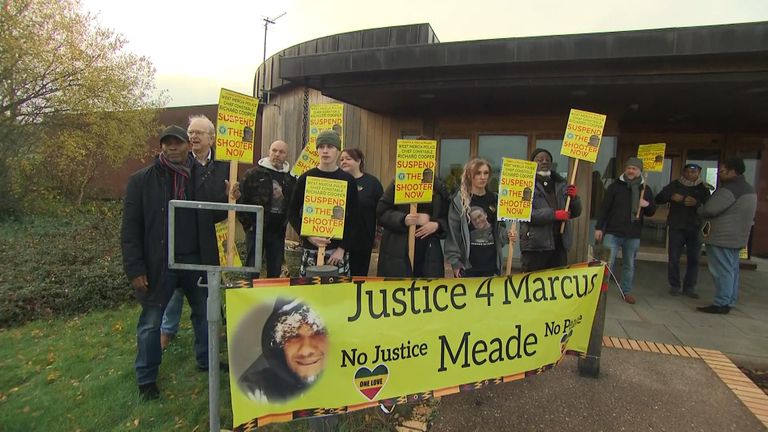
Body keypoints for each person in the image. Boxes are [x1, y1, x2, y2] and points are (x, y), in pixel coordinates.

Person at [121, 125, 236, 401]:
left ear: (188, 146)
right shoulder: (141, 181)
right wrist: (135, 268)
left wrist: (231, 198)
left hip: (197, 259)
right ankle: (146, 378)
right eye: (167, 143)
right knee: (151, 322)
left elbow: (215, 214)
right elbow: (130, 229)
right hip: (159, 262)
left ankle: (206, 360)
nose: (172, 148)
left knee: (206, 314)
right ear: (161, 147)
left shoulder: (204, 178)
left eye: (177, 143)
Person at [160, 115, 231, 350]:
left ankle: (207, 350)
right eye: (191, 132)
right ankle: (166, 332)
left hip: (210, 239)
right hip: (183, 239)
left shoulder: (225, 167)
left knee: (206, 295)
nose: (193, 136)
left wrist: (233, 197)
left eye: (199, 132)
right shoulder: (180, 165)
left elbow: (226, 208)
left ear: (211, 138)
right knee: (174, 292)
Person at [288, 130, 359, 276]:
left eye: (330, 147)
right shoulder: (305, 178)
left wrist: (342, 248)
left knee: (338, 295)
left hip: (337, 252)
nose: (325, 151)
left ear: (338, 151)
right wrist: (308, 236)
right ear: (317, 150)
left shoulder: (348, 180)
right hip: (311, 248)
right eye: (321, 146)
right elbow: (292, 212)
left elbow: (354, 217)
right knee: (310, 295)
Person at [696, 158, 756, 314]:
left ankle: (721, 303)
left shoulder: (730, 189)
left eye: (722, 171)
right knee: (732, 270)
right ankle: (729, 300)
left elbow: (710, 209)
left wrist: (699, 208)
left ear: (732, 171)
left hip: (721, 237)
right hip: (736, 237)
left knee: (721, 270)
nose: (720, 173)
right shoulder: (749, 188)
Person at [238, 299, 328, 402]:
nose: (306, 351)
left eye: (318, 333)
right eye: (293, 336)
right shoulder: (256, 389)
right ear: (279, 344)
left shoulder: (345, 377)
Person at [594, 157, 656, 304]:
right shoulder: (615, 187)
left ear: (639, 171)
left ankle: (626, 291)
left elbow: (651, 212)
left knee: (629, 264)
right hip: (613, 231)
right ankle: (601, 290)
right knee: (607, 263)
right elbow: (605, 208)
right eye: (629, 168)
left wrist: (646, 204)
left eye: (634, 169)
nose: (631, 171)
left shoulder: (645, 189)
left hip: (633, 233)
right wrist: (599, 227)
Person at [238, 140, 296, 279]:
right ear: (269, 151)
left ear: (286, 155)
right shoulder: (253, 174)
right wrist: (248, 226)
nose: (277, 154)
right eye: (274, 150)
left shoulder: (290, 178)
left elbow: (293, 204)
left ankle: (271, 299)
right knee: (252, 269)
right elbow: (241, 200)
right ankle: (249, 297)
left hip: (277, 232)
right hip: (256, 229)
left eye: (281, 152)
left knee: (275, 270)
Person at [445, 158, 512, 277]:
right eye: (478, 173)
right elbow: (453, 234)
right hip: (468, 266)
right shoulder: (459, 201)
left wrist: (508, 236)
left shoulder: (495, 199)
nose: (483, 177)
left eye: (486, 173)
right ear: (470, 175)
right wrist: (455, 263)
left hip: (491, 265)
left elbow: (499, 232)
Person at [519, 148, 582, 272]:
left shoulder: (561, 184)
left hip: (559, 245)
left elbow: (575, 212)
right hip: (535, 246)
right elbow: (525, 214)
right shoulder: (525, 185)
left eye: (547, 160)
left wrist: (574, 199)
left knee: (555, 286)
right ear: (533, 163)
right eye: (540, 159)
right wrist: (553, 215)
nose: (544, 162)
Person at [655, 163, 711, 298]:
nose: (691, 175)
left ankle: (689, 287)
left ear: (699, 173)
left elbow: (709, 207)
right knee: (674, 258)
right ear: (684, 172)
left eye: (694, 172)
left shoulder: (703, 188)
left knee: (694, 259)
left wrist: (696, 203)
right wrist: (670, 196)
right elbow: (658, 199)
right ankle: (675, 285)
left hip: (695, 227)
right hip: (677, 226)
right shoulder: (675, 185)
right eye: (688, 172)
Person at [376, 176, 450, 278]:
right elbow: (381, 212)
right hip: (398, 250)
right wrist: (403, 219)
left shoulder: (439, 187)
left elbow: (448, 217)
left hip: (428, 252)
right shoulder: (399, 182)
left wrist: (437, 225)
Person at [340, 148, 383, 276]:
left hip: (363, 240)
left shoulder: (372, 183)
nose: (344, 162)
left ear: (359, 161)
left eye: (348, 159)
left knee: (359, 277)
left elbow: (381, 210)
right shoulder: (337, 181)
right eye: (341, 159)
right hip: (339, 241)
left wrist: (378, 236)